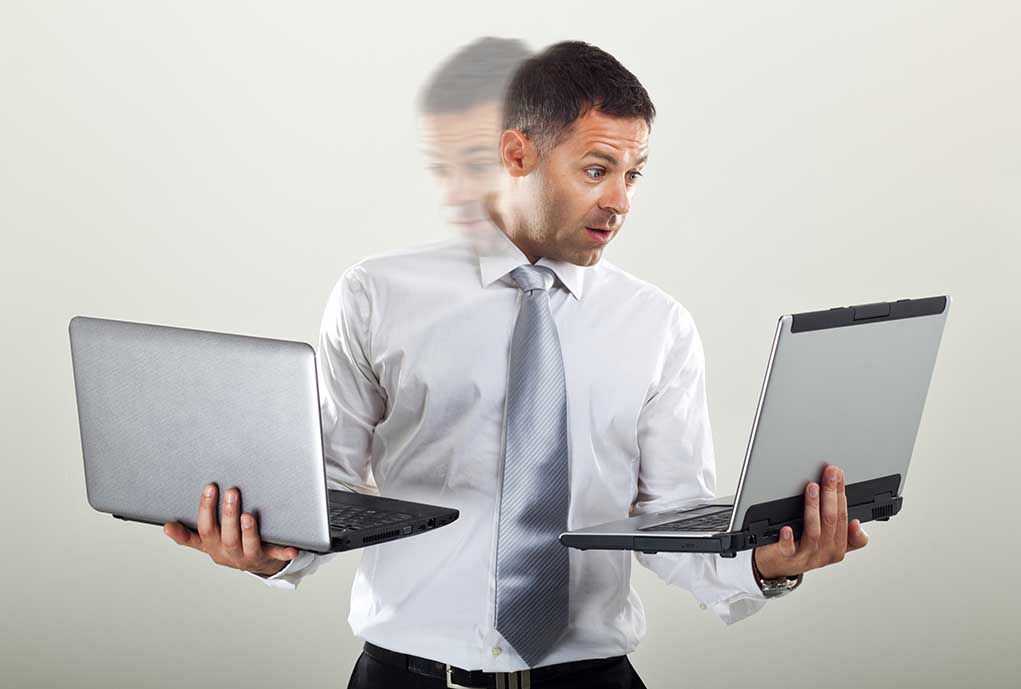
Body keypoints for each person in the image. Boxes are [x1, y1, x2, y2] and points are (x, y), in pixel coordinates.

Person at [163, 40, 870, 689]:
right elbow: (326, 495)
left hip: (591, 679)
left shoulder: (658, 325)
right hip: (406, 677)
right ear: (516, 153)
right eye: (596, 169)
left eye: (633, 173)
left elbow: (671, 522)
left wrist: (765, 565)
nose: (620, 201)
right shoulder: (377, 295)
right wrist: (268, 551)